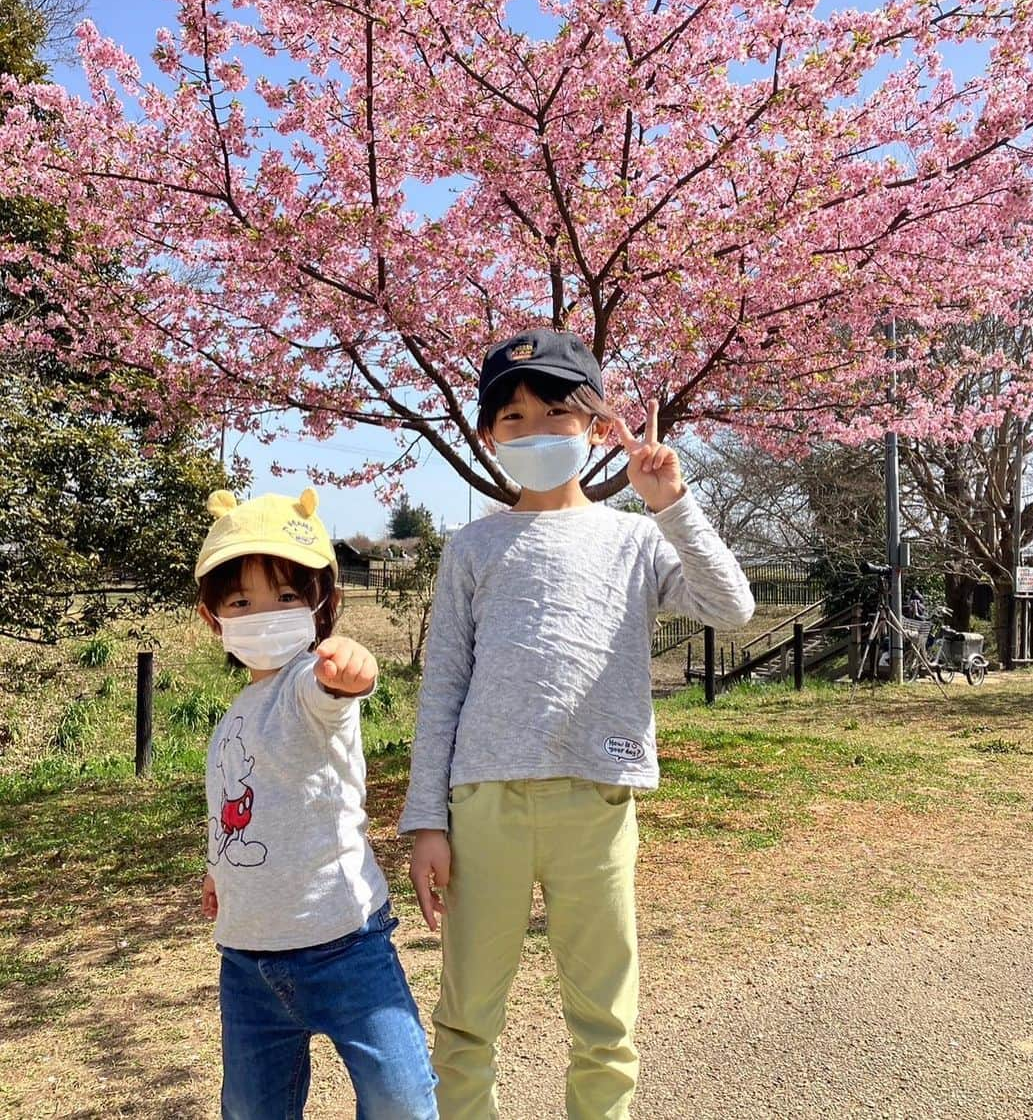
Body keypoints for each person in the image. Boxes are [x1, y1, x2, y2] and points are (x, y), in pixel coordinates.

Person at [400, 328, 756, 1120]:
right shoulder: (472, 547)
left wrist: (674, 506)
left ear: (597, 428)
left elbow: (733, 607)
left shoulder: (634, 538)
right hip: (482, 805)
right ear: (488, 436)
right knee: (465, 1020)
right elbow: (443, 688)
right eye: (512, 418)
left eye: (555, 414)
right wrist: (426, 818)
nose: (532, 432)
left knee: (604, 1019)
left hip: (597, 799)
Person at [195, 487, 438, 1120]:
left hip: (344, 944)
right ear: (211, 616)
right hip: (247, 961)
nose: (264, 613)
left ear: (319, 607)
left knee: (401, 1101)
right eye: (241, 601)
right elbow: (235, 805)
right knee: (252, 1110)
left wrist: (350, 671)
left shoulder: (308, 684)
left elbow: (337, 688)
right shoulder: (232, 718)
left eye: (286, 597)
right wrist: (219, 870)